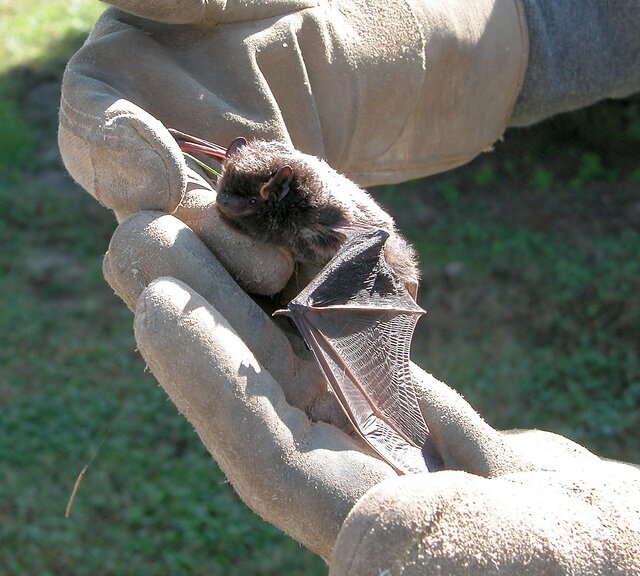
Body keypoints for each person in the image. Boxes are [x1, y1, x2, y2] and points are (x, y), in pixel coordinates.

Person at [58, 1, 640, 573]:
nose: (227, 203)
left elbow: (381, 257)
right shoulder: (264, 181)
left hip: (359, 276)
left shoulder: (318, 221)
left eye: (240, 199)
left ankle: (357, 384)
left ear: (278, 193)